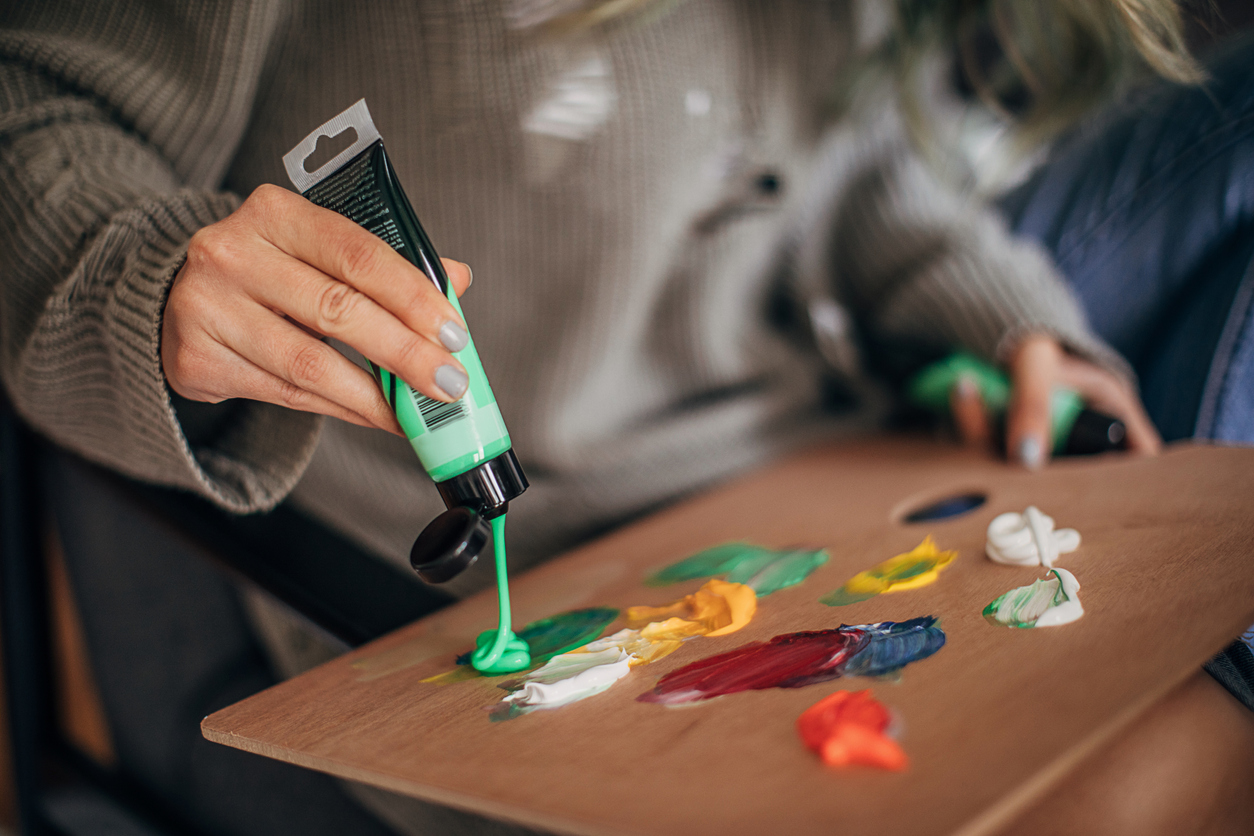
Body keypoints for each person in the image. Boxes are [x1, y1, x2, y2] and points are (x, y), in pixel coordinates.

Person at [0, 2, 1249, 834]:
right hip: (476, 578)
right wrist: (152, 281)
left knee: (1190, 742)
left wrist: (1012, 322)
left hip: (811, 495)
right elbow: (31, 105)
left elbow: (870, 169)